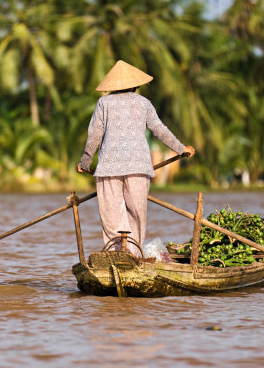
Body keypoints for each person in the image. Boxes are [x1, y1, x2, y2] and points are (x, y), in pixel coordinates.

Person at [77, 60, 196, 255]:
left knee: (111, 214)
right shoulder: (144, 103)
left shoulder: (103, 103)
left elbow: (94, 136)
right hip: (138, 168)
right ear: (135, 85)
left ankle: (116, 254)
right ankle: (132, 254)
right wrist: (182, 148)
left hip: (109, 168)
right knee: (137, 214)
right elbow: (159, 130)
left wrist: (85, 162)